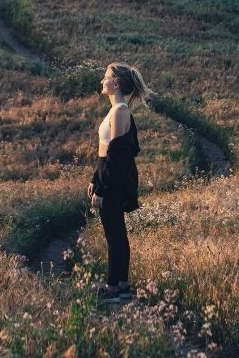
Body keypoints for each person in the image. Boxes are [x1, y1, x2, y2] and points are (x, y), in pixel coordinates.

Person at [88, 62, 153, 304]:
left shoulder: (120, 112)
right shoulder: (115, 111)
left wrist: (104, 187)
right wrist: (95, 179)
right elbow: (104, 152)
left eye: (106, 77)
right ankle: (121, 285)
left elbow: (116, 156)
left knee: (115, 235)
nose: (102, 81)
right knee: (116, 234)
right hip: (109, 178)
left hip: (114, 182)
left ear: (115, 83)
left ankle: (114, 289)